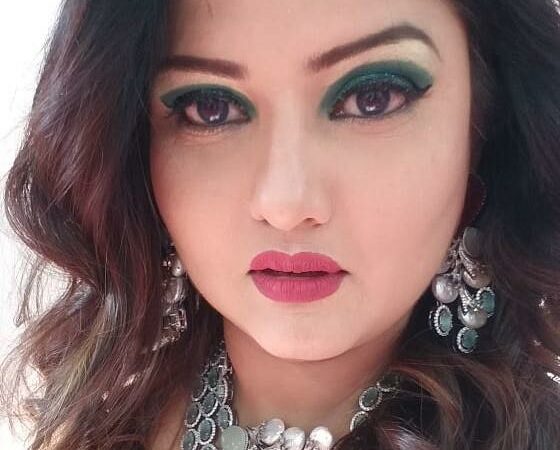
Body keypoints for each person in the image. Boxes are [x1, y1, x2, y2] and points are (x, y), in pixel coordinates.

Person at [2, 0, 560, 449]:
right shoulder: (82, 428)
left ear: (484, 122)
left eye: (373, 98)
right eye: (210, 108)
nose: (286, 205)